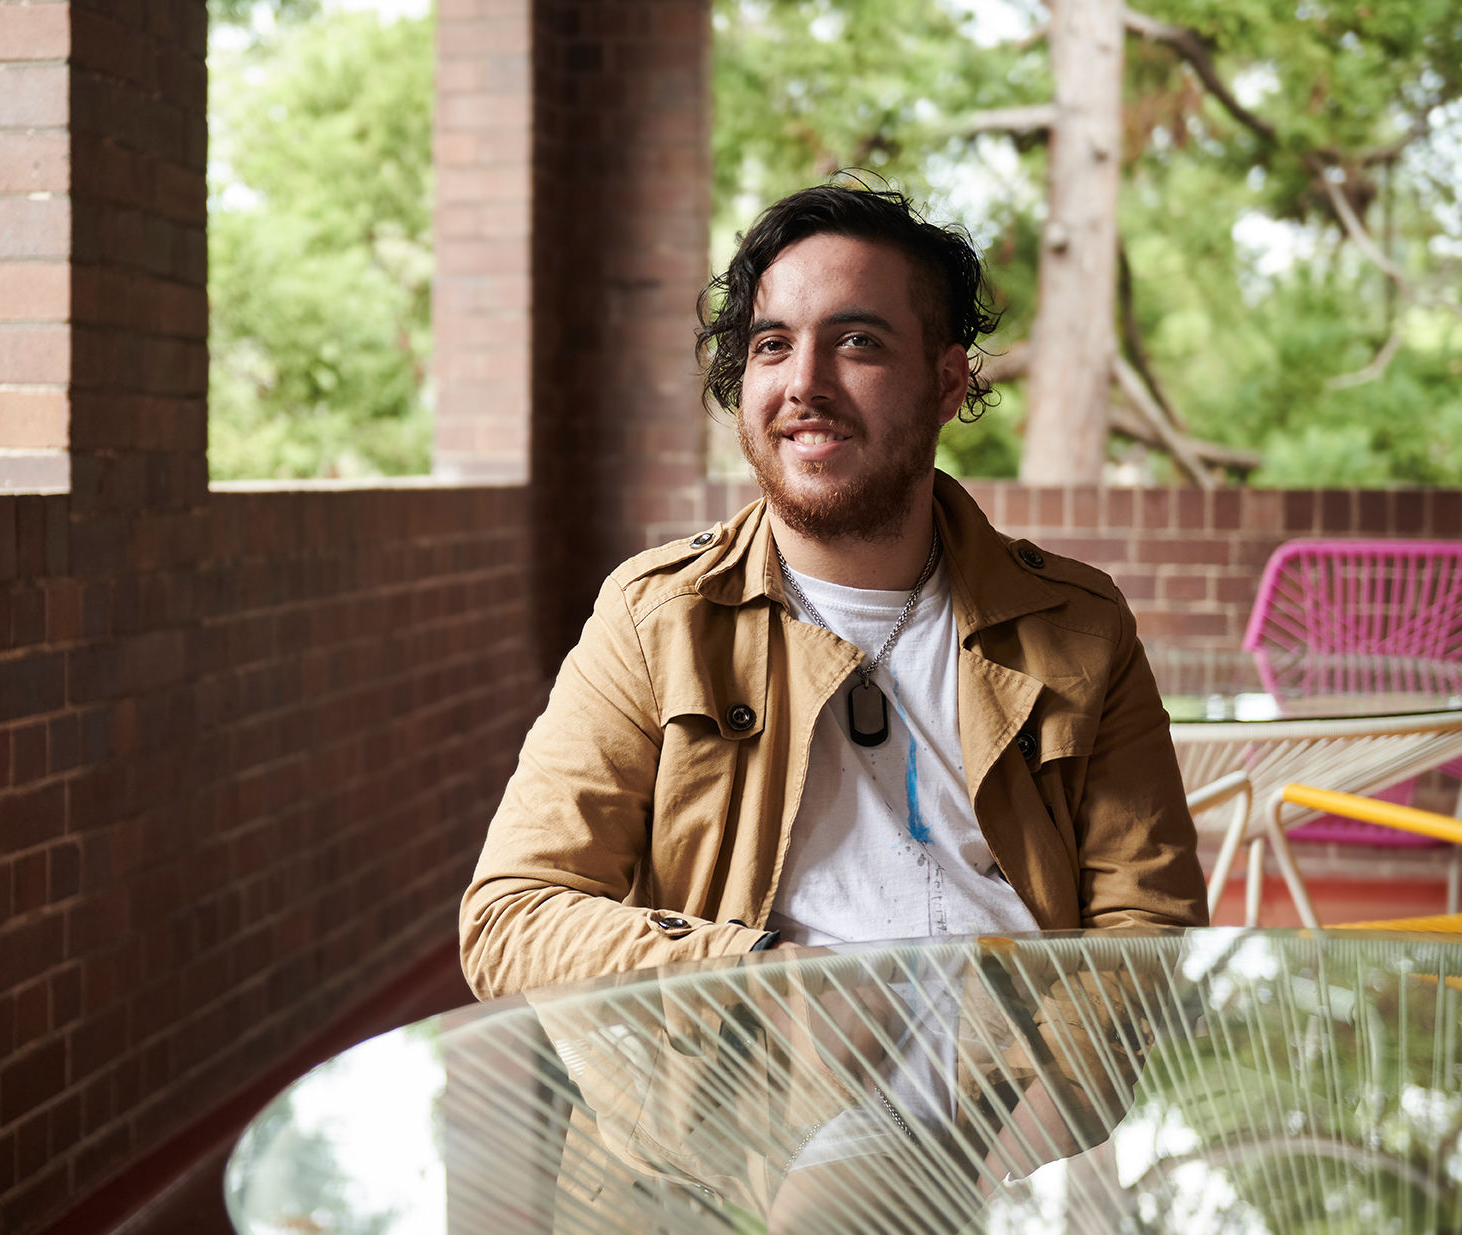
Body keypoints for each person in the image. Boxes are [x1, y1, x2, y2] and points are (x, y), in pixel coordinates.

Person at [458, 182, 1207, 1228]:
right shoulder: (654, 618)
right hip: (729, 1137)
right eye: (769, 346)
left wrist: (1019, 1158)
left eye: (854, 342)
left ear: (946, 382)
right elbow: (511, 917)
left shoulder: (1077, 624)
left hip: (1009, 1120)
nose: (801, 383)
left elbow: (1147, 924)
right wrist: (756, 975)